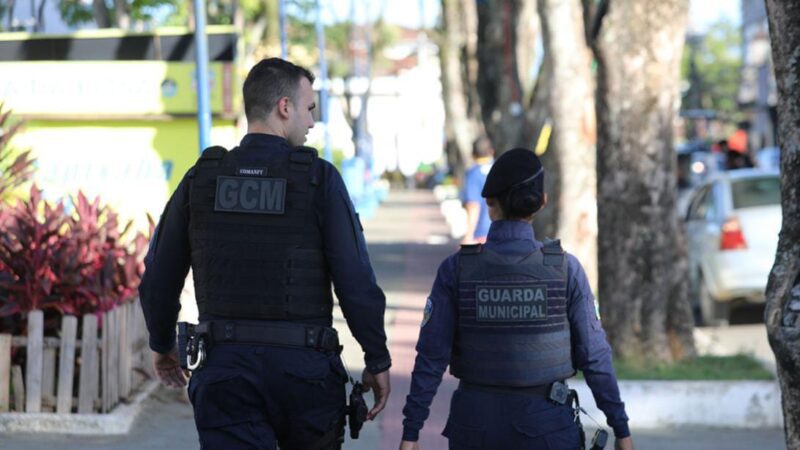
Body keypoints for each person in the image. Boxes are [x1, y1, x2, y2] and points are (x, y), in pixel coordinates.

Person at [139, 57, 391, 450]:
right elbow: (355, 280)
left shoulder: (202, 178)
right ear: (284, 108)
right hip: (305, 374)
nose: (311, 122)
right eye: (309, 109)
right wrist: (376, 358)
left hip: (225, 372)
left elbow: (158, 275)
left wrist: (162, 343)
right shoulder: (318, 178)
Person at [399, 148, 634, 450]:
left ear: (489, 203)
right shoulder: (565, 269)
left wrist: (411, 432)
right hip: (548, 429)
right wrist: (621, 430)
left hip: (474, 428)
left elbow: (431, 358)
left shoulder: (456, 269)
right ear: (541, 203)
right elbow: (594, 356)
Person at [460, 136, 494, 244]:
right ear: (492, 151)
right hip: (502, 233)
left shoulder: (473, 174)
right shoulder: (500, 169)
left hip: (481, 234)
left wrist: (468, 236)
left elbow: (473, 206)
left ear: (473, 154)